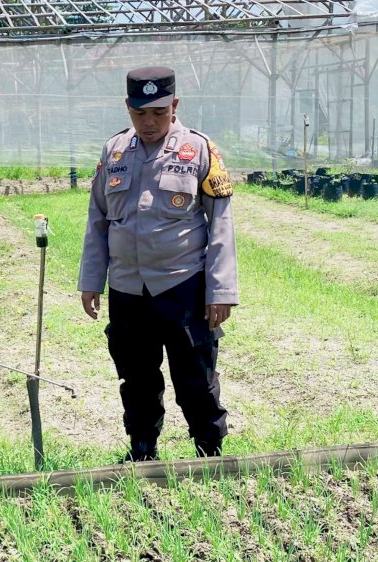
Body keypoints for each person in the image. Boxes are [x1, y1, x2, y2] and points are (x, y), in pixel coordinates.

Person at [78, 67, 238, 461]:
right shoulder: (114, 150)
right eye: (139, 113)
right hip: (128, 289)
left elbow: (221, 225)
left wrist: (221, 290)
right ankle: (143, 449)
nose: (149, 122)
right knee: (136, 377)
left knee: (195, 376)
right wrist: (91, 280)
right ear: (127, 108)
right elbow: (98, 219)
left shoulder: (199, 150)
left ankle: (208, 448)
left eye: (158, 113)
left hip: (183, 285)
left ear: (175, 106)